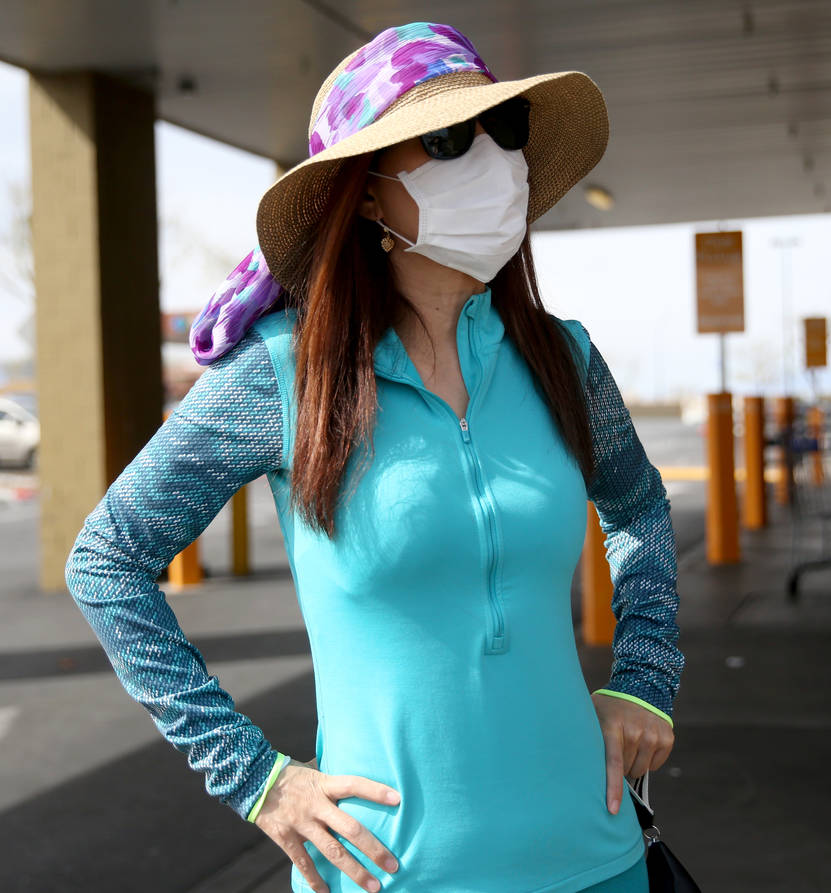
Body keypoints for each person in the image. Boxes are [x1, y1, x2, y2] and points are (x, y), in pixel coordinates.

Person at [63, 21, 684, 893]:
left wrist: (645, 678)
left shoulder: (565, 359)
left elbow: (640, 509)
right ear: (363, 194)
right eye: (446, 140)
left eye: (506, 132)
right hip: (392, 873)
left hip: (599, 854)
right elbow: (105, 561)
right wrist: (256, 780)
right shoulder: (283, 374)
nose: (497, 162)